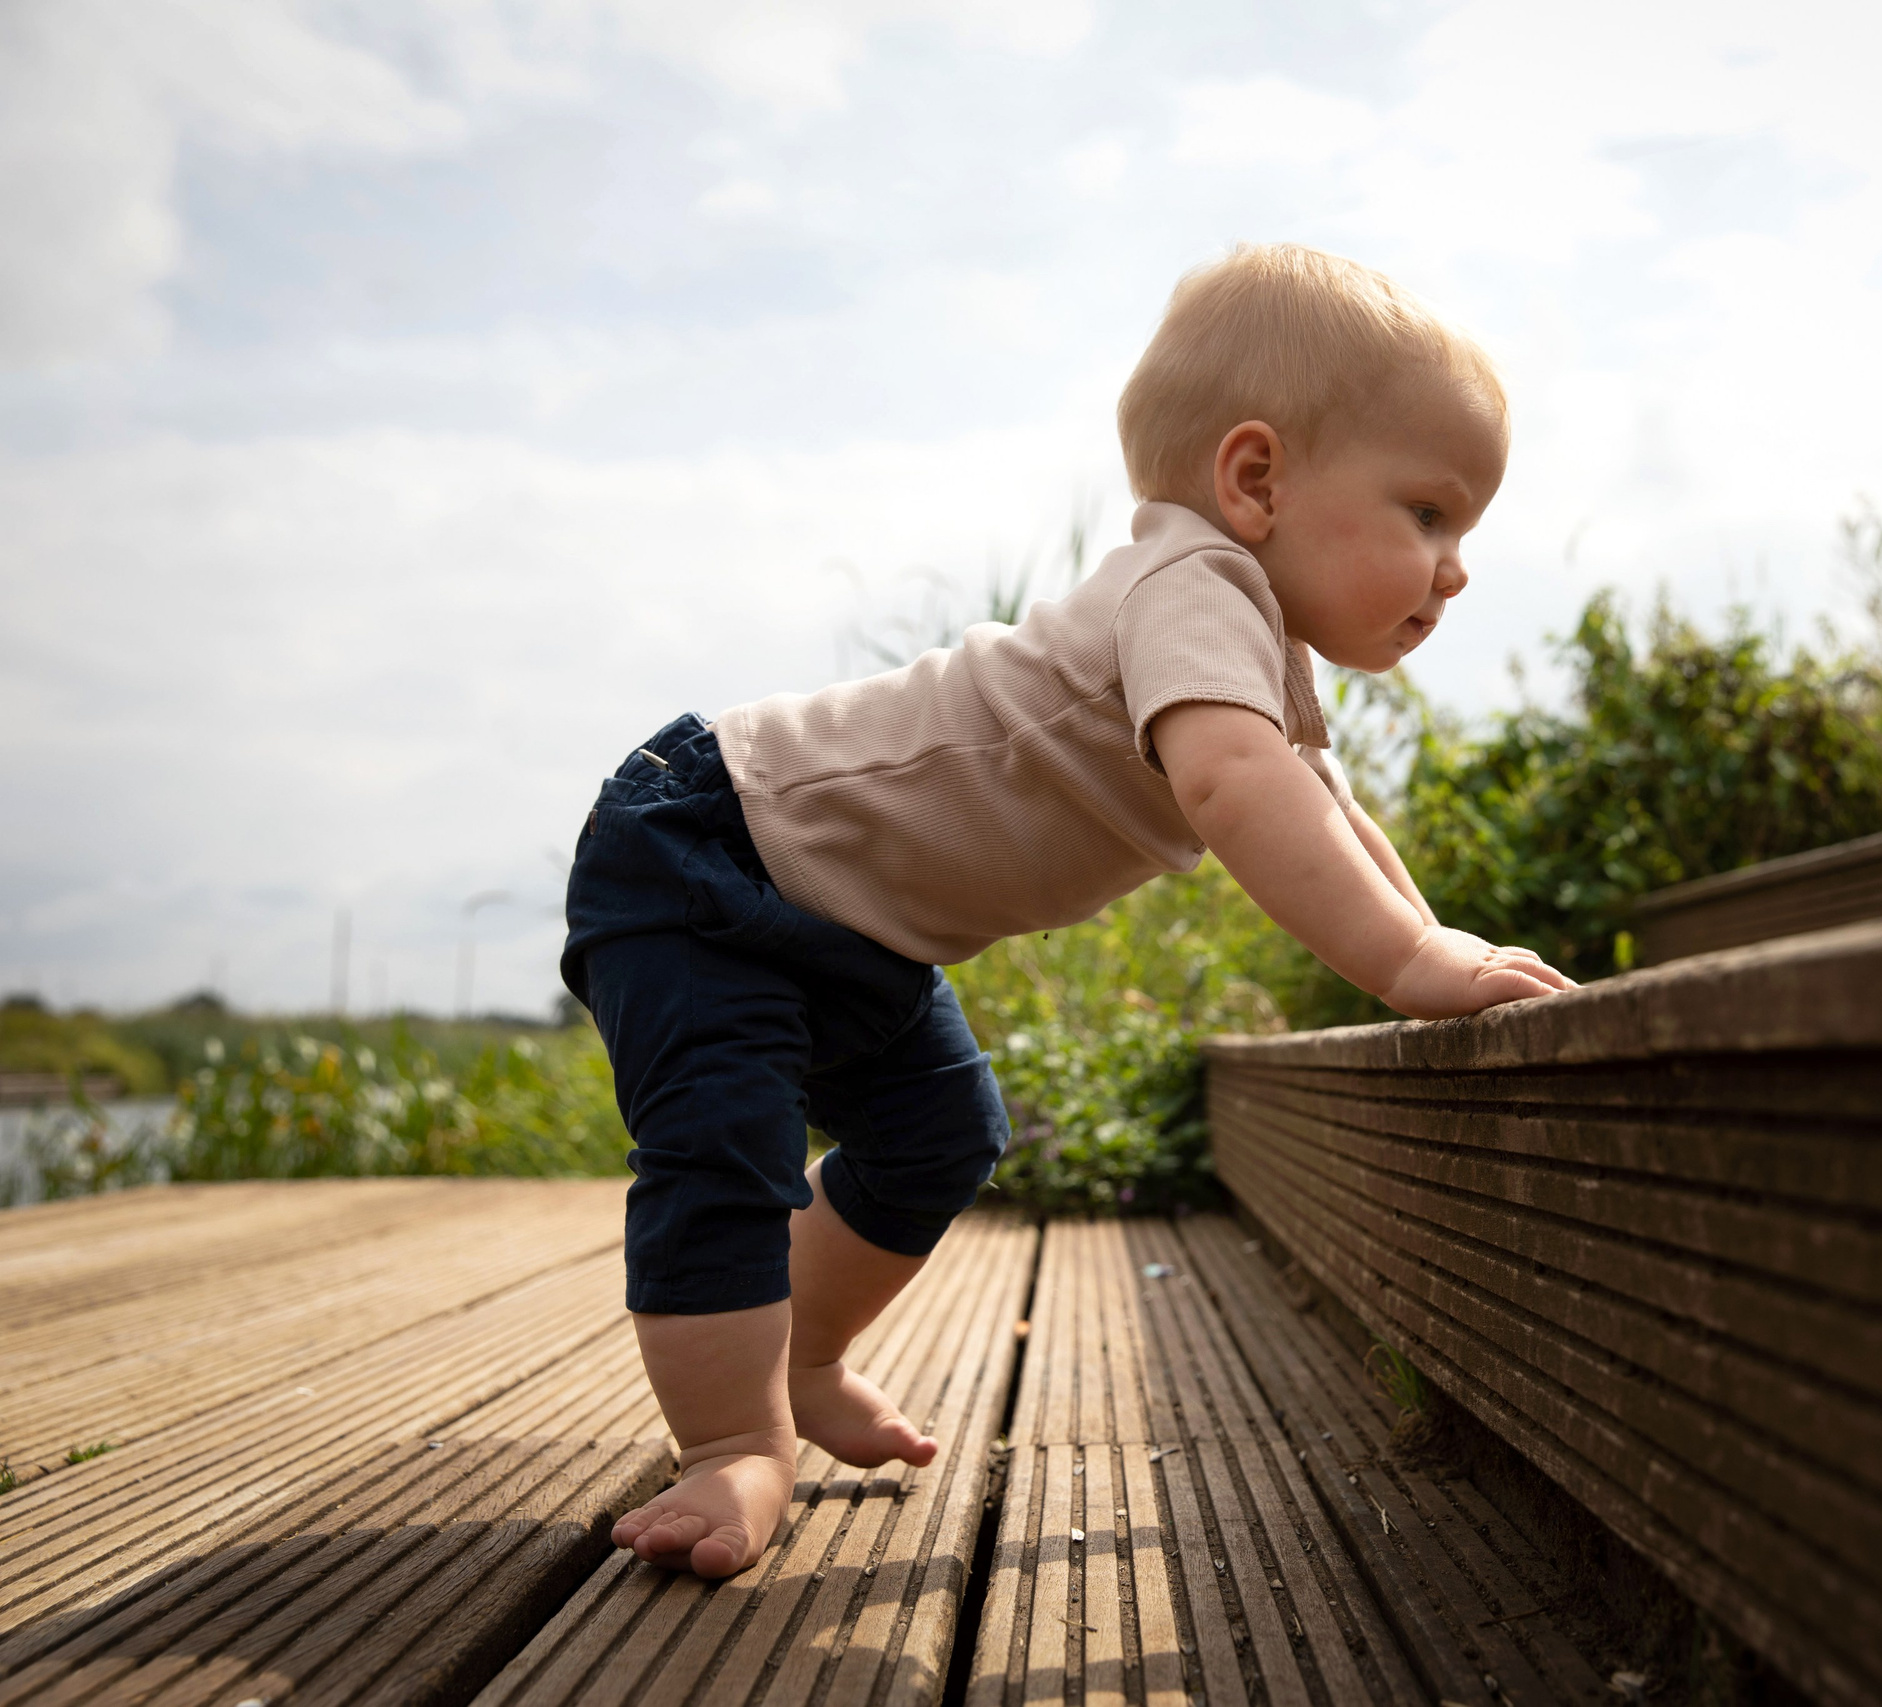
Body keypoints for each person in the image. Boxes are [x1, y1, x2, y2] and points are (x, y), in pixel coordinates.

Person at [560, 243, 1575, 1579]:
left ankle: (799, 1354)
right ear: (1255, 479)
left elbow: (1322, 808)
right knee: (723, 1152)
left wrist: (1443, 943)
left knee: (939, 1128)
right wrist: (1412, 963)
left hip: (854, 921)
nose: (1451, 570)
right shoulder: (1192, 587)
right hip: (712, 855)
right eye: (1431, 514)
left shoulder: (1241, 630)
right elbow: (1234, 787)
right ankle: (729, 1447)